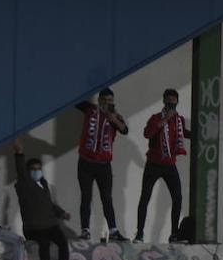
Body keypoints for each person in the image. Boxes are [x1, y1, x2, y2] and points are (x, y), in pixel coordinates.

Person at [13, 140, 73, 260]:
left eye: (39, 169)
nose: (36, 172)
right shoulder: (24, 184)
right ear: (28, 171)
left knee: (63, 244)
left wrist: (62, 213)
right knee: (44, 245)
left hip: (50, 224)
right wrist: (19, 153)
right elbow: (20, 170)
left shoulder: (43, 184)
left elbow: (49, 204)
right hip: (34, 227)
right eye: (33, 169)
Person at [135, 89, 190, 243]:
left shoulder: (179, 120)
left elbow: (183, 133)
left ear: (177, 102)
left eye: (173, 101)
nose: (171, 104)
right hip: (153, 164)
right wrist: (164, 120)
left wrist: (198, 133)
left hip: (170, 165)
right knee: (145, 198)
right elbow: (148, 133)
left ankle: (174, 234)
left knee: (177, 198)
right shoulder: (155, 118)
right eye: (168, 101)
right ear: (164, 102)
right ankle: (139, 234)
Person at [74, 88, 129, 241]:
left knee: (107, 198)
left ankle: (113, 231)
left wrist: (113, 118)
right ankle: (85, 230)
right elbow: (74, 102)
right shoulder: (90, 109)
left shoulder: (116, 117)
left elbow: (125, 130)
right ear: (99, 101)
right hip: (85, 163)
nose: (107, 103)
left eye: (110, 101)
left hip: (104, 165)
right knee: (86, 197)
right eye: (104, 101)